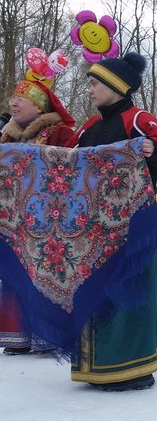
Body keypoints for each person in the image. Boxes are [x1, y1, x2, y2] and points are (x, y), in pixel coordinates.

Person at [64, 52, 157, 391]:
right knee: (95, 293)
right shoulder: (89, 127)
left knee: (128, 292)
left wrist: (151, 148)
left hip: (132, 226)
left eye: (94, 83)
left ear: (115, 86)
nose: (89, 89)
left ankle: (133, 368)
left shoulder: (138, 118)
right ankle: (97, 367)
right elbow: (64, 161)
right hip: (91, 227)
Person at [0, 77, 75, 355]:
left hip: (49, 218)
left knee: (46, 276)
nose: (13, 103)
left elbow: (74, 167)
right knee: (14, 274)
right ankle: (17, 336)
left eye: (21, 99)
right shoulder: (7, 135)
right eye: (12, 99)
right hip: (13, 219)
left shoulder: (61, 133)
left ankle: (47, 336)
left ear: (39, 106)